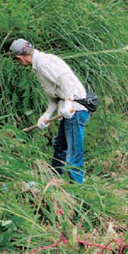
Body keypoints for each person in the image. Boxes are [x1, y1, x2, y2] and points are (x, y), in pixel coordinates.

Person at [10, 39, 90, 184]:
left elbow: (66, 80)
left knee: (74, 151)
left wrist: (69, 101)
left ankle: (78, 186)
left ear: (19, 57)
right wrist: (46, 115)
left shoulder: (44, 63)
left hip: (75, 110)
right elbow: (55, 95)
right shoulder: (39, 64)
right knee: (59, 144)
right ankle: (56, 178)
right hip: (67, 108)